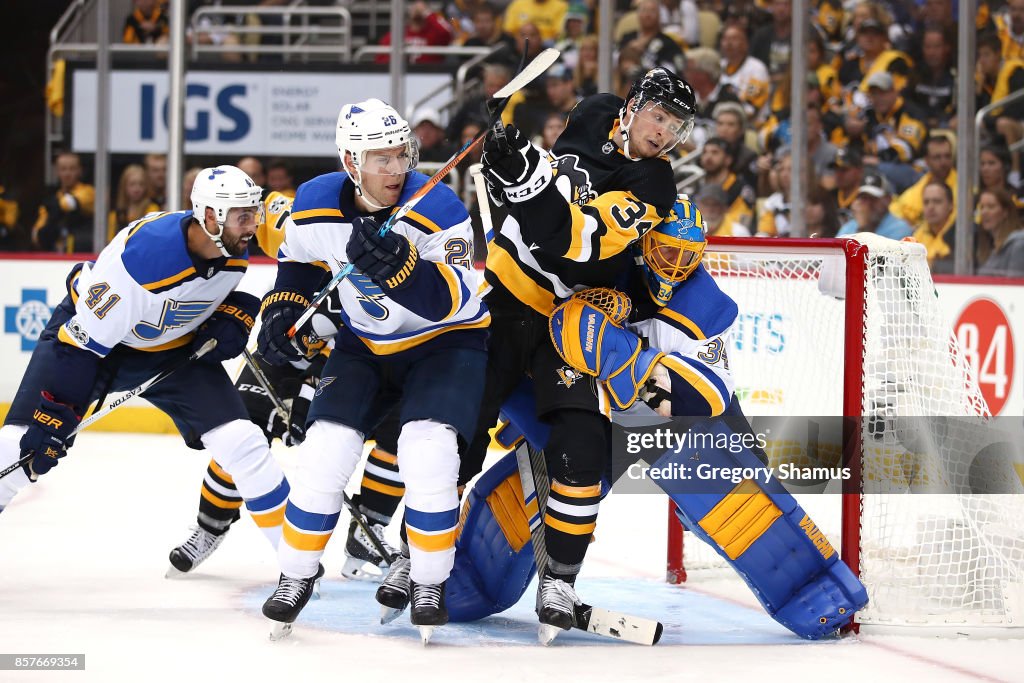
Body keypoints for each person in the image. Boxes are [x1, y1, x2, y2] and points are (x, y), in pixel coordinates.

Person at [458, 67, 693, 641]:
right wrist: (511, 160)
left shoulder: (654, 186)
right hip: (509, 298)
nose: (664, 133)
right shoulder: (594, 112)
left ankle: (559, 581)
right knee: (458, 428)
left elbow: (576, 242)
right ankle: (419, 556)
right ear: (634, 106)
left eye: (677, 126)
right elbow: (544, 193)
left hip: (572, 320)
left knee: (583, 447)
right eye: (659, 116)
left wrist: (520, 177)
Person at [256, 98, 487, 642]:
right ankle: (295, 574)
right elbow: (300, 263)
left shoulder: (440, 205)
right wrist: (284, 307)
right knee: (324, 454)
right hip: (364, 344)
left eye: (401, 155)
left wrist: (404, 270)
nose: (396, 169)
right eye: (380, 159)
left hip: (446, 342)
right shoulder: (314, 203)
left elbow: (449, 300)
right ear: (350, 162)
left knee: (426, 452)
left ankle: (429, 581)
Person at [0, 166, 290, 564]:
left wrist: (237, 311)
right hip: (89, 345)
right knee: (20, 448)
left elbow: (301, 241)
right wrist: (55, 413)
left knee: (244, 442)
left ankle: (298, 566)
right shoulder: (144, 261)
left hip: (172, 348)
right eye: (243, 216)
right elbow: (81, 346)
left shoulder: (230, 241)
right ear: (210, 217)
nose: (252, 225)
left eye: (253, 213)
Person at [31, 151, 95, 253]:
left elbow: (70, 203)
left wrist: (54, 207)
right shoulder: (51, 199)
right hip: (57, 256)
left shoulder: (89, 191)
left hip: (82, 255)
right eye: (63, 169)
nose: (67, 173)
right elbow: (36, 236)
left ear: (80, 171)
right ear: (57, 171)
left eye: (72, 169)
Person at [888, 134, 956, 228]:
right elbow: (896, 209)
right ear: (926, 161)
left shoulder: (963, 187)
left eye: (947, 156)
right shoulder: (922, 185)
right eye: (937, 157)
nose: (943, 162)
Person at [836, 171, 913, 239]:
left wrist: (863, 228)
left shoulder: (899, 228)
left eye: (873, 199)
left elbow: (877, 254)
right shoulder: (850, 227)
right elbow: (836, 252)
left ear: (888, 199)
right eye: (864, 198)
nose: (868, 205)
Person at [976, 188, 1024, 277]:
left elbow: (1015, 286)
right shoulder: (987, 246)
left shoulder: (1019, 244)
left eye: (991, 207)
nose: (984, 212)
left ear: (1005, 212)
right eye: (982, 207)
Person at [108, 164, 160, 244]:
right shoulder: (115, 215)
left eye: (141, 184)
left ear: (146, 186)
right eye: (132, 184)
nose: (136, 189)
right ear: (124, 187)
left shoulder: (152, 209)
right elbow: (110, 242)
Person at [911, 181, 956, 274]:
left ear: (951, 205)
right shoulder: (915, 236)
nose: (930, 207)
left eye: (937, 201)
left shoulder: (962, 236)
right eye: (926, 202)